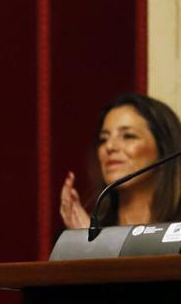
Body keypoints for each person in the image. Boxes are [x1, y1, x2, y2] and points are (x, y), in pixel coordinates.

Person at [59, 92, 181, 229]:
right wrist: (85, 242)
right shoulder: (84, 229)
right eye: (103, 139)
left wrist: (98, 247)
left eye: (128, 136)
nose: (109, 147)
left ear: (163, 149)